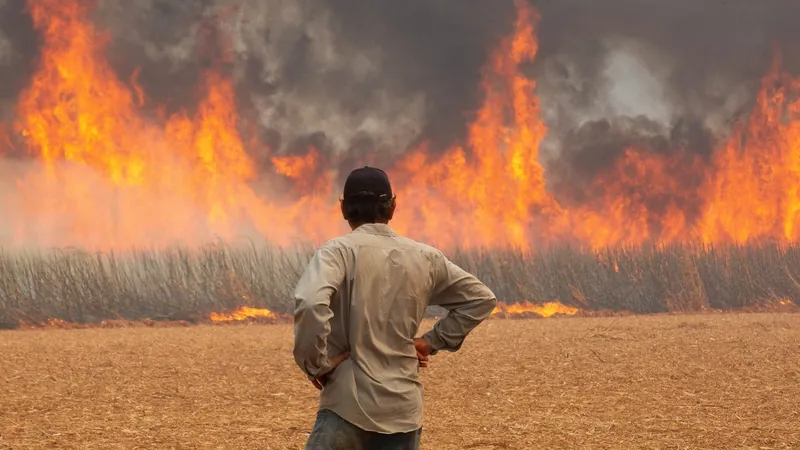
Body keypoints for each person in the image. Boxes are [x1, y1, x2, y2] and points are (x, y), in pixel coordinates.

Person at [293, 166, 497, 450]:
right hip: (404, 414)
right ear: (393, 206)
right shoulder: (425, 257)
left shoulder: (336, 253)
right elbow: (480, 298)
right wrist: (430, 342)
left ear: (344, 208)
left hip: (347, 407)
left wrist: (316, 365)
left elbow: (311, 301)